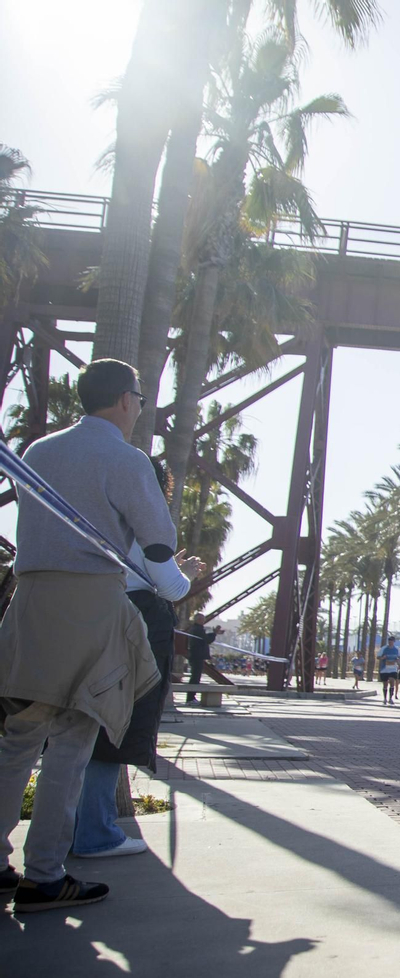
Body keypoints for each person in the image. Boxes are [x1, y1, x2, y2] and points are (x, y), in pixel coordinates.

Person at [0, 358, 166, 913]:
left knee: (18, 739)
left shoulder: (39, 451)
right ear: (124, 399)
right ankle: (45, 874)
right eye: (139, 399)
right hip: (90, 603)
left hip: (29, 601)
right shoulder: (125, 458)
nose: (139, 408)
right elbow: (158, 545)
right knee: (72, 740)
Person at [73, 455, 203, 860]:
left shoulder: (90, 503)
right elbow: (171, 588)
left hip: (83, 614)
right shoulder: (146, 514)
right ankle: (96, 833)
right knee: (115, 727)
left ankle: (65, 833)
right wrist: (187, 575)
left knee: (74, 727)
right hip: (133, 624)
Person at [183, 614, 221, 702]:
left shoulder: (196, 629)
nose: (203, 621)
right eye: (202, 619)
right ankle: (190, 698)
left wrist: (213, 633)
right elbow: (206, 640)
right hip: (197, 656)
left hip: (196, 655)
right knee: (195, 677)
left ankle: (191, 697)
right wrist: (214, 633)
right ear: (198, 620)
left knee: (196, 677)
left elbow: (204, 638)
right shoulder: (197, 629)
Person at [377, 635, 400, 705]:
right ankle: (385, 698)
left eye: (392, 640)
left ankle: (390, 698)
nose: (390, 642)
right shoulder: (384, 648)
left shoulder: (397, 649)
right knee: (385, 684)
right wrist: (383, 657)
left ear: (394, 641)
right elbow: (378, 657)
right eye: (389, 640)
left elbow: (399, 658)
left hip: (393, 668)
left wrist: (398, 662)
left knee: (392, 681)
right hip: (384, 668)